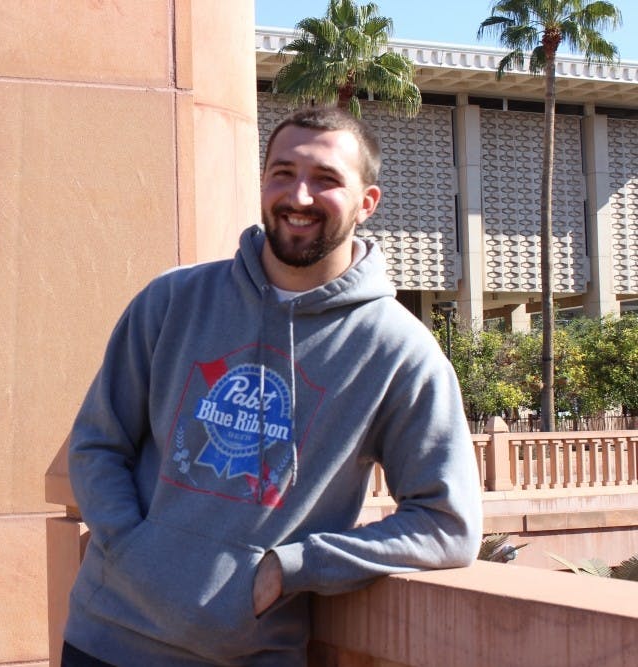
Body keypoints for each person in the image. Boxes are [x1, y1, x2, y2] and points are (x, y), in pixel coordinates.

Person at [62, 106, 483, 666]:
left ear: (367, 203)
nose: (299, 196)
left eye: (326, 179)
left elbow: (447, 523)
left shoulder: (399, 351)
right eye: (283, 172)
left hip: (249, 655)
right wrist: (131, 548)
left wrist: (297, 565)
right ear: (263, 183)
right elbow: (97, 443)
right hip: (105, 639)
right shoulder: (172, 300)